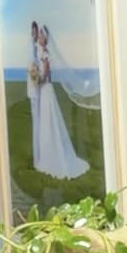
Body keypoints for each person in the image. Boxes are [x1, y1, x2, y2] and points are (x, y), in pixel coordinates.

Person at [32, 24, 89, 181]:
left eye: (42, 35)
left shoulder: (45, 53)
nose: (40, 37)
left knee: (49, 122)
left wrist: (37, 80)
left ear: (46, 38)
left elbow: (46, 74)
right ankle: (47, 156)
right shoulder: (39, 52)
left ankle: (52, 158)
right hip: (44, 90)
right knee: (45, 123)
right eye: (40, 35)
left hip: (46, 89)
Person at [25, 20, 41, 161]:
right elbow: (29, 67)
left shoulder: (36, 46)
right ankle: (37, 158)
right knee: (36, 123)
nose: (35, 34)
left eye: (36, 31)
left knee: (40, 123)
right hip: (33, 89)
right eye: (33, 31)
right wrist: (34, 75)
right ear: (32, 32)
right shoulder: (30, 46)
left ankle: (41, 155)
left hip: (38, 88)